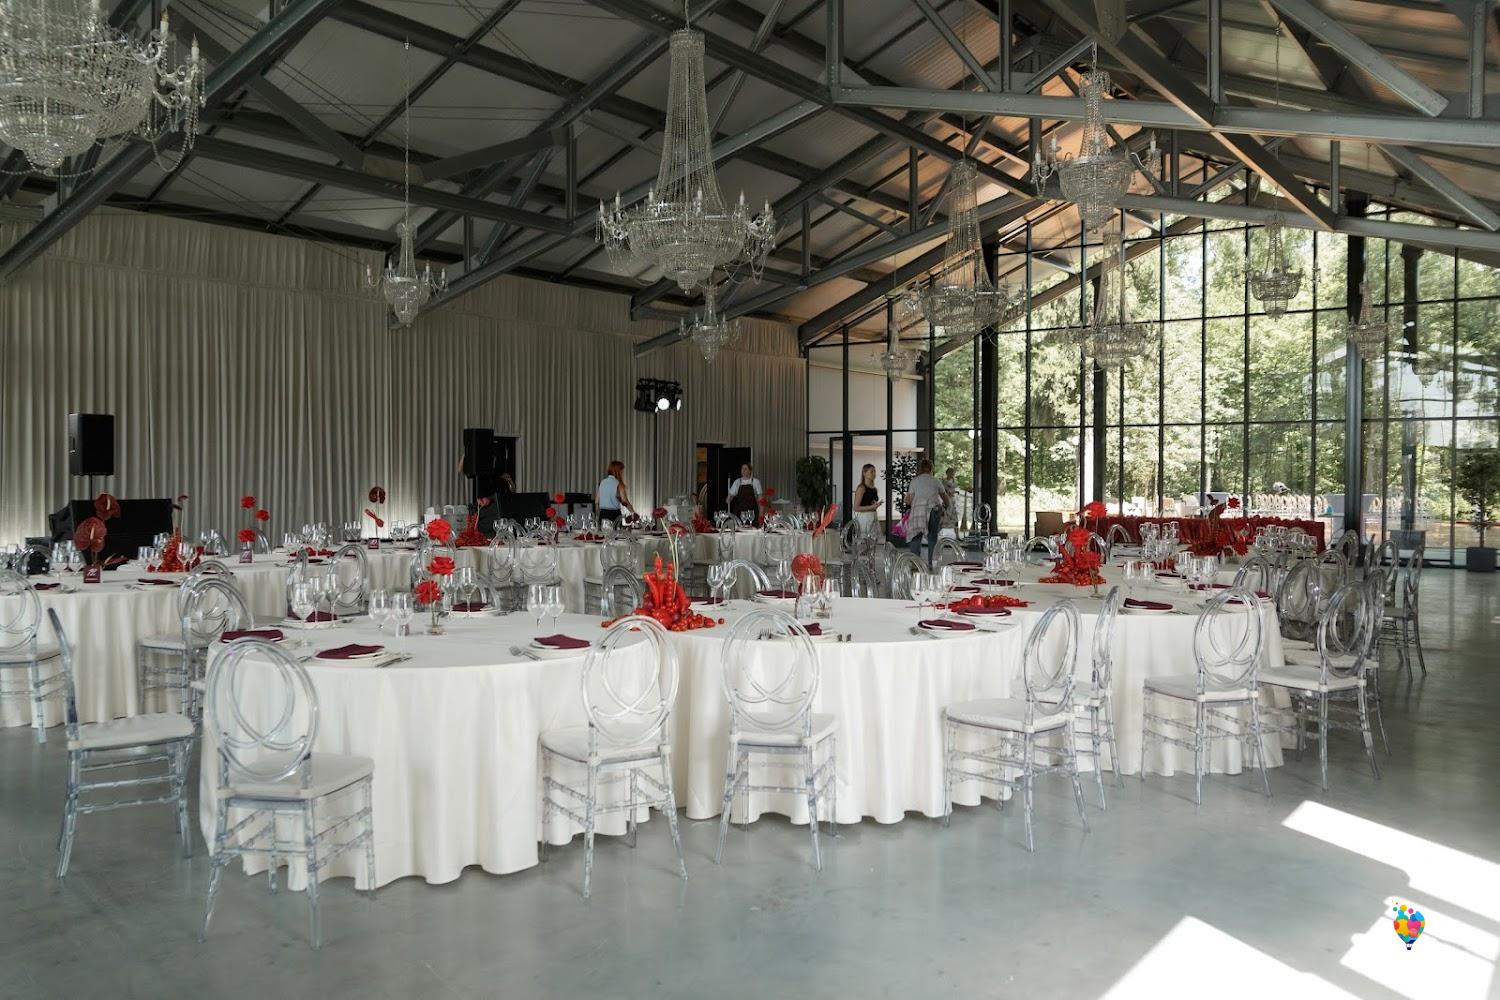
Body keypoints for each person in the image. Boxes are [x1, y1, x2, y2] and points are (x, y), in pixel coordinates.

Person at [903, 459, 946, 567]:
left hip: (918, 512)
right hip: (933, 510)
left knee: (916, 537)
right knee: (932, 537)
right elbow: (944, 497)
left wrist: (917, 503)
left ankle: (915, 564)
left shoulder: (915, 481)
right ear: (931, 468)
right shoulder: (936, 481)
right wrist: (946, 507)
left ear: (920, 468)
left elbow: (909, 499)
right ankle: (932, 563)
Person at [595, 461, 635, 526]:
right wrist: (633, 512)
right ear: (618, 471)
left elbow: (596, 501)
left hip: (603, 514)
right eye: (621, 471)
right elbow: (625, 502)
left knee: (603, 532)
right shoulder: (619, 484)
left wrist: (597, 515)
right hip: (614, 516)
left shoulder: (602, 482)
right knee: (616, 532)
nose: (622, 473)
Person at [853, 464, 880, 535]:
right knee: (865, 537)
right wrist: (872, 507)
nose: (874, 474)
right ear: (864, 473)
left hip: (873, 515)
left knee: (874, 538)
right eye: (871, 472)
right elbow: (856, 508)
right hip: (864, 517)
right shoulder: (861, 488)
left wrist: (875, 504)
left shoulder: (874, 489)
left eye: (874, 471)